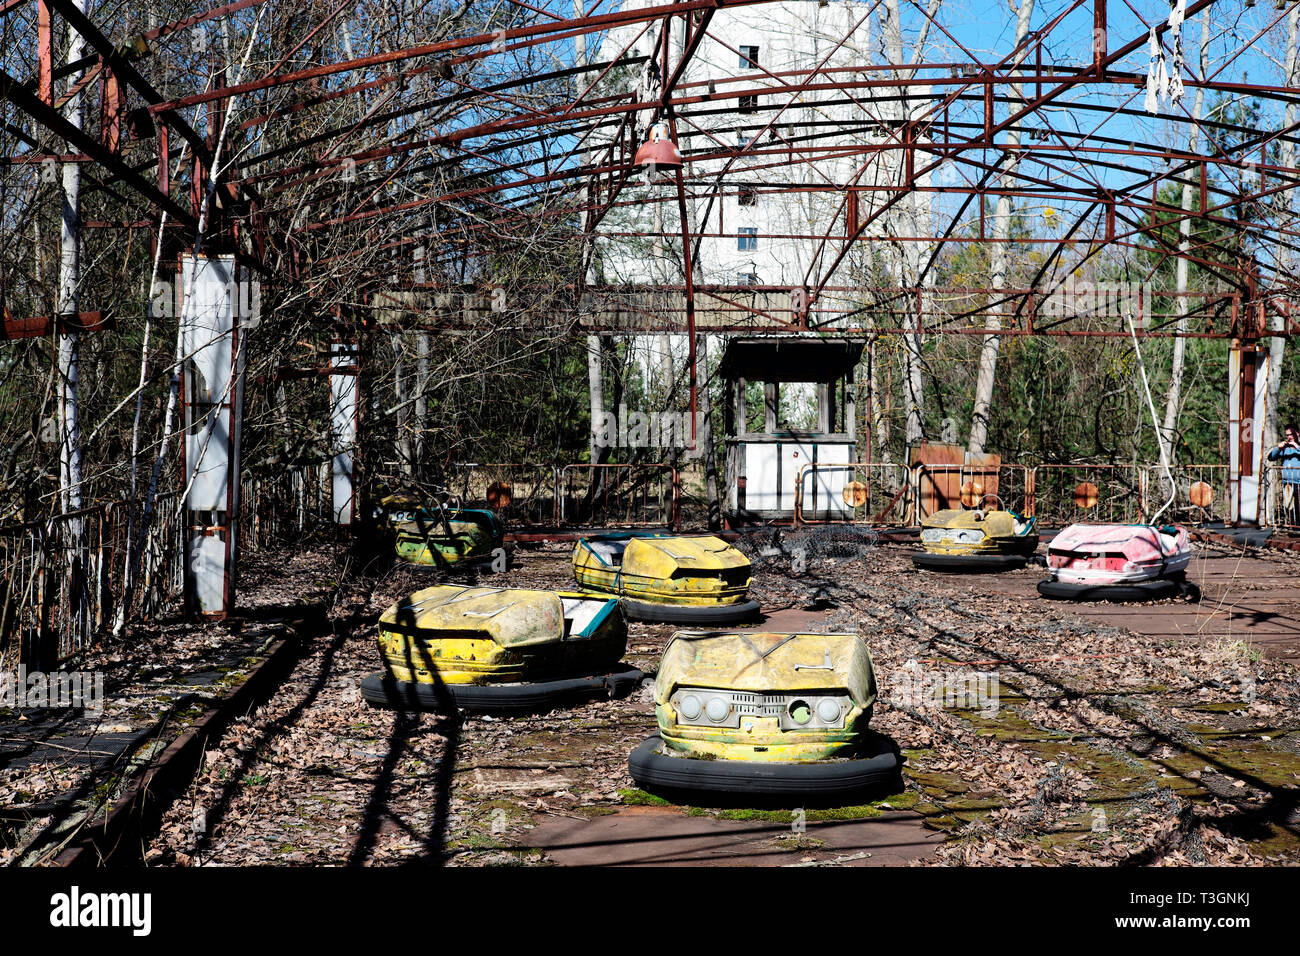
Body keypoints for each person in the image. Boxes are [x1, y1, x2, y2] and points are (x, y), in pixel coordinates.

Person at [1267, 422, 1300, 526]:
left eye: (1291, 434)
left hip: (1299, 482)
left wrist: (1297, 447)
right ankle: (1293, 526)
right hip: (1288, 482)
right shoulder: (1285, 448)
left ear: (1297, 433)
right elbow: (1271, 457)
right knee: (1290, 506)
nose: (1289, 437)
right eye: (1287, 435)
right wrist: (1278, 448)